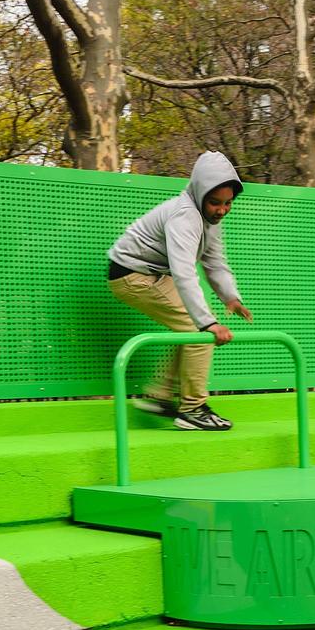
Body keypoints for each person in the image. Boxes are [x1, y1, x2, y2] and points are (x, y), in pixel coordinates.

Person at [107, 151, 253, 431]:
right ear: (199, 193)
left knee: (189, 328)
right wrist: (208, 323)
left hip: (151, 273)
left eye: (227, 203)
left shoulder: (208, 219)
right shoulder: (185, 215)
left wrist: (230, 297)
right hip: (131, 274)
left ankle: (159, 396)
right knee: (198, 331)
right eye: (215, 203)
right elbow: (184, 270)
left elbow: (214, 261)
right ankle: (193, 409)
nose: (221, 210)